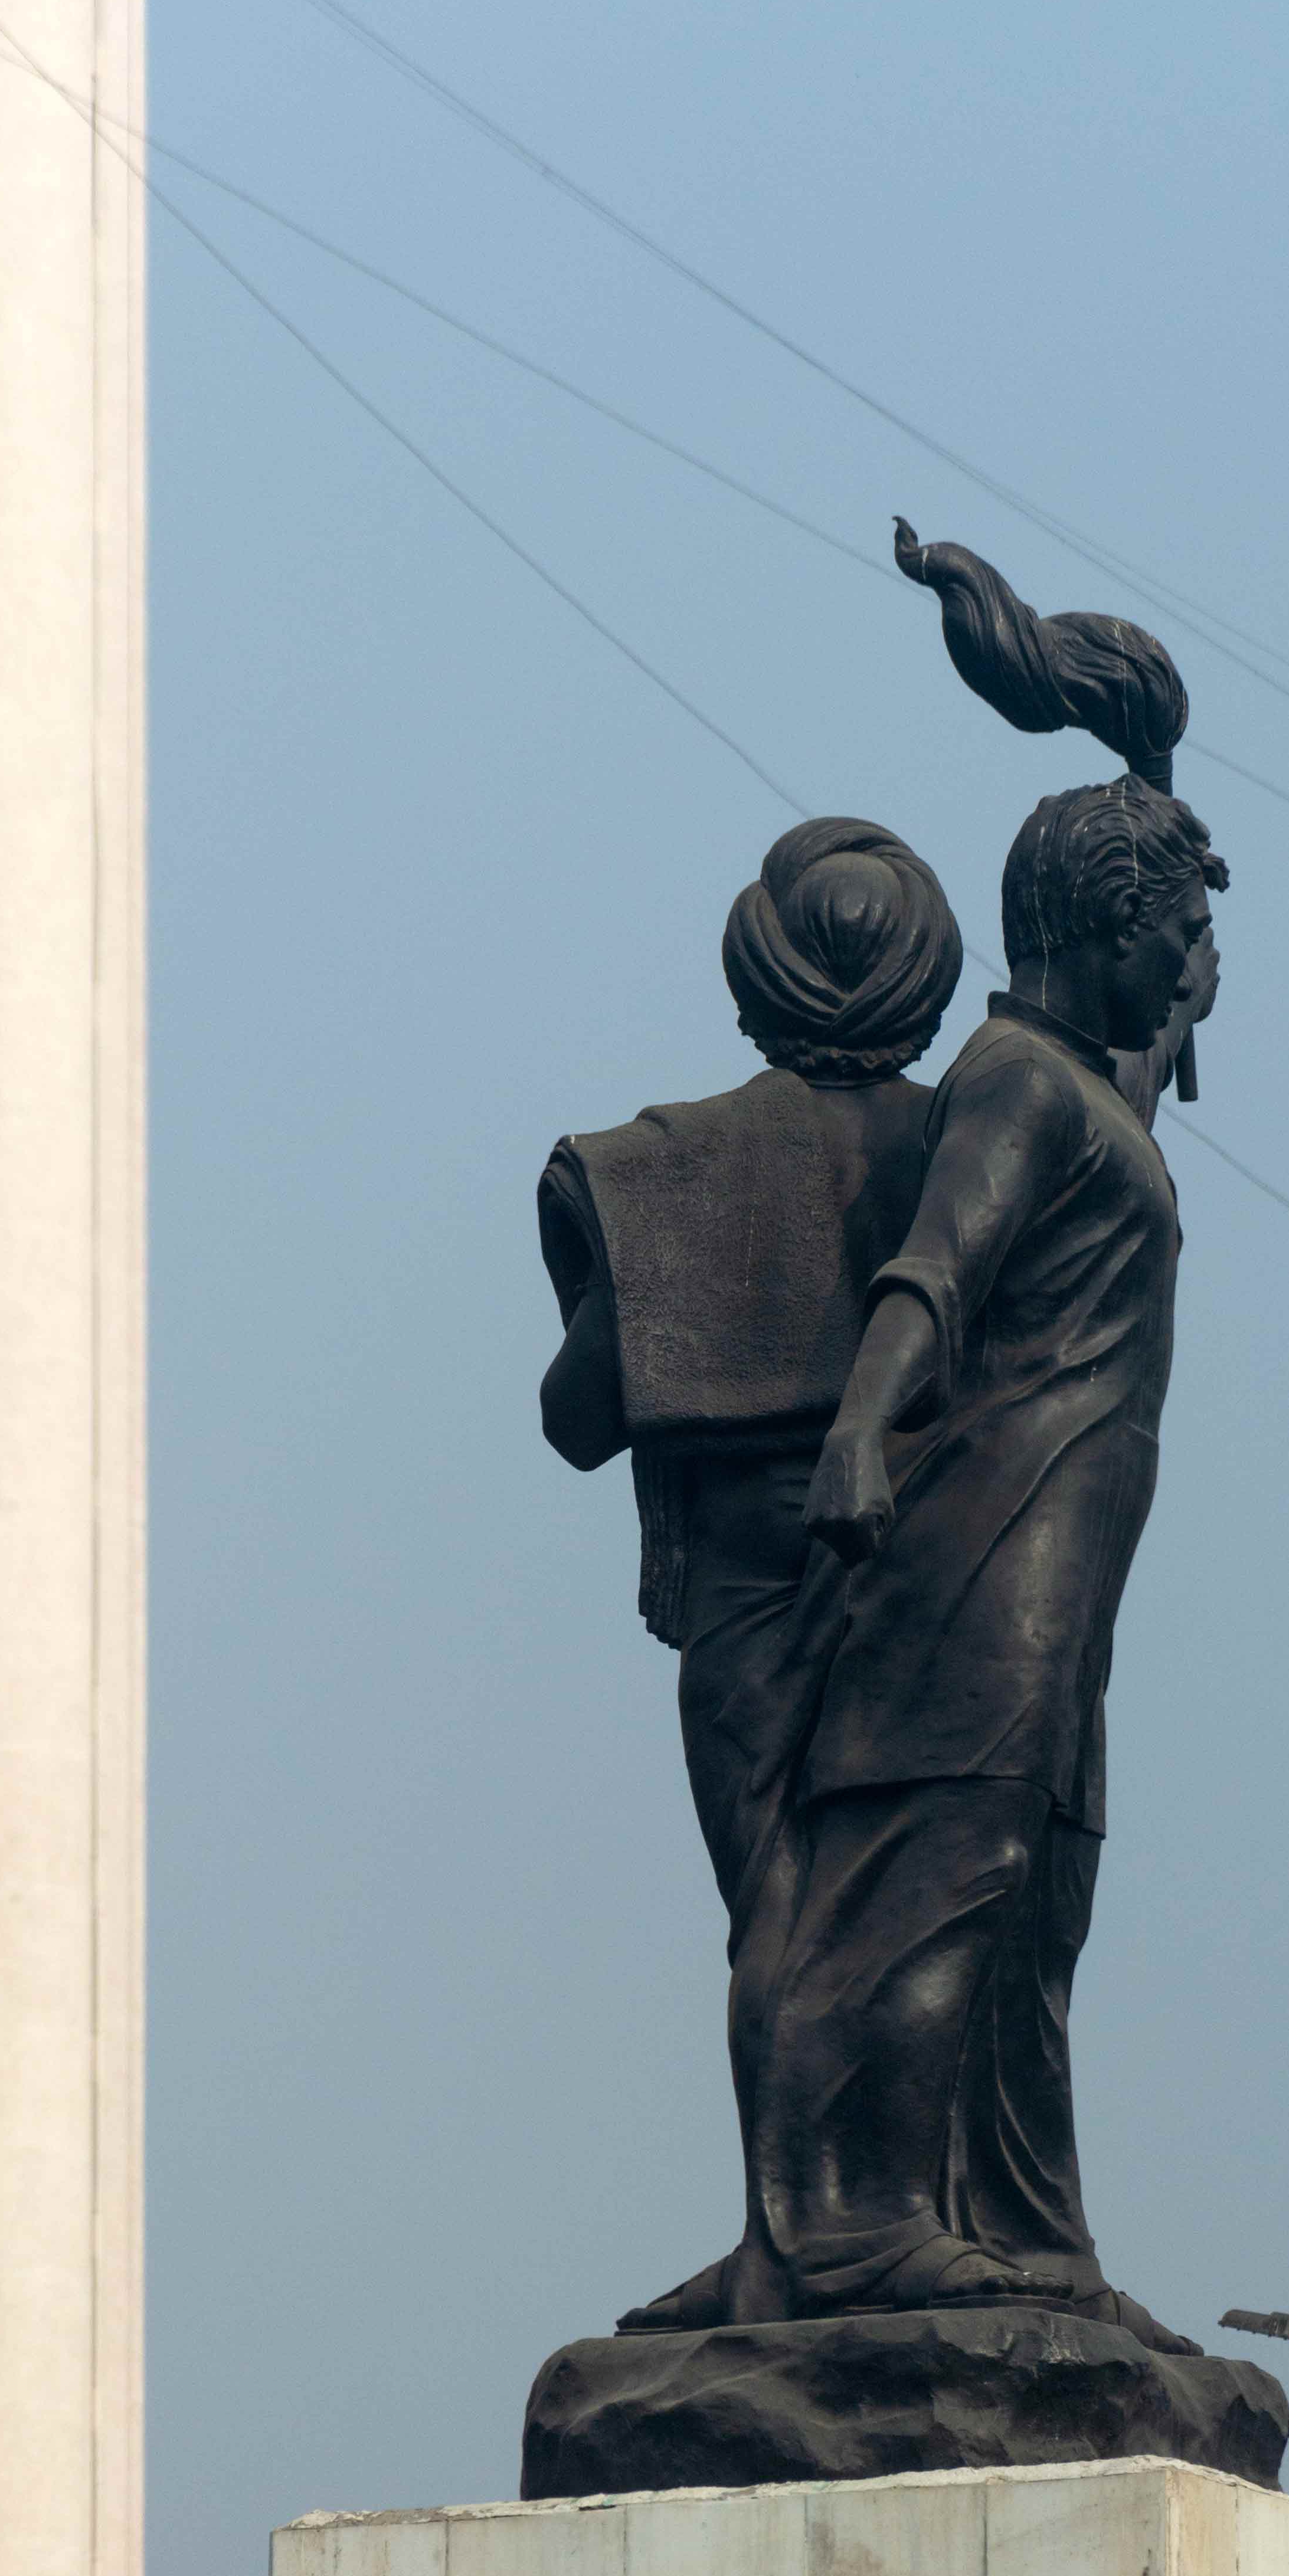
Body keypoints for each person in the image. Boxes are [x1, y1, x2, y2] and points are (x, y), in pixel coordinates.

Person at [620, 536, 1227, 2348]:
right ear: (1099, 926)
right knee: (938, 1871)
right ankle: (852, 2227)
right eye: (1173, 931)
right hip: (991, 1531)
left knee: (1033, 1889)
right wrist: (862, 1434)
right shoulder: (1013, 1084)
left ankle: (1019, 2227)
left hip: (1070, 1556)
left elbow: (1125, 1092)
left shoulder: (1082, 1087)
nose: (1192, 960)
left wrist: (1156, 809)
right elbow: (931, 1274)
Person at [538, 818, 961, 2289]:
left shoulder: (667, 1166)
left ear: (754, 971)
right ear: (927, 974)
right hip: (943, 1571)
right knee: (919, 1901)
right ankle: (887, 2220)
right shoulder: (972, 1154)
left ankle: (794, 2231)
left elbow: (575, 1420)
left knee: (777, 1901)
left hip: (741, 1585)